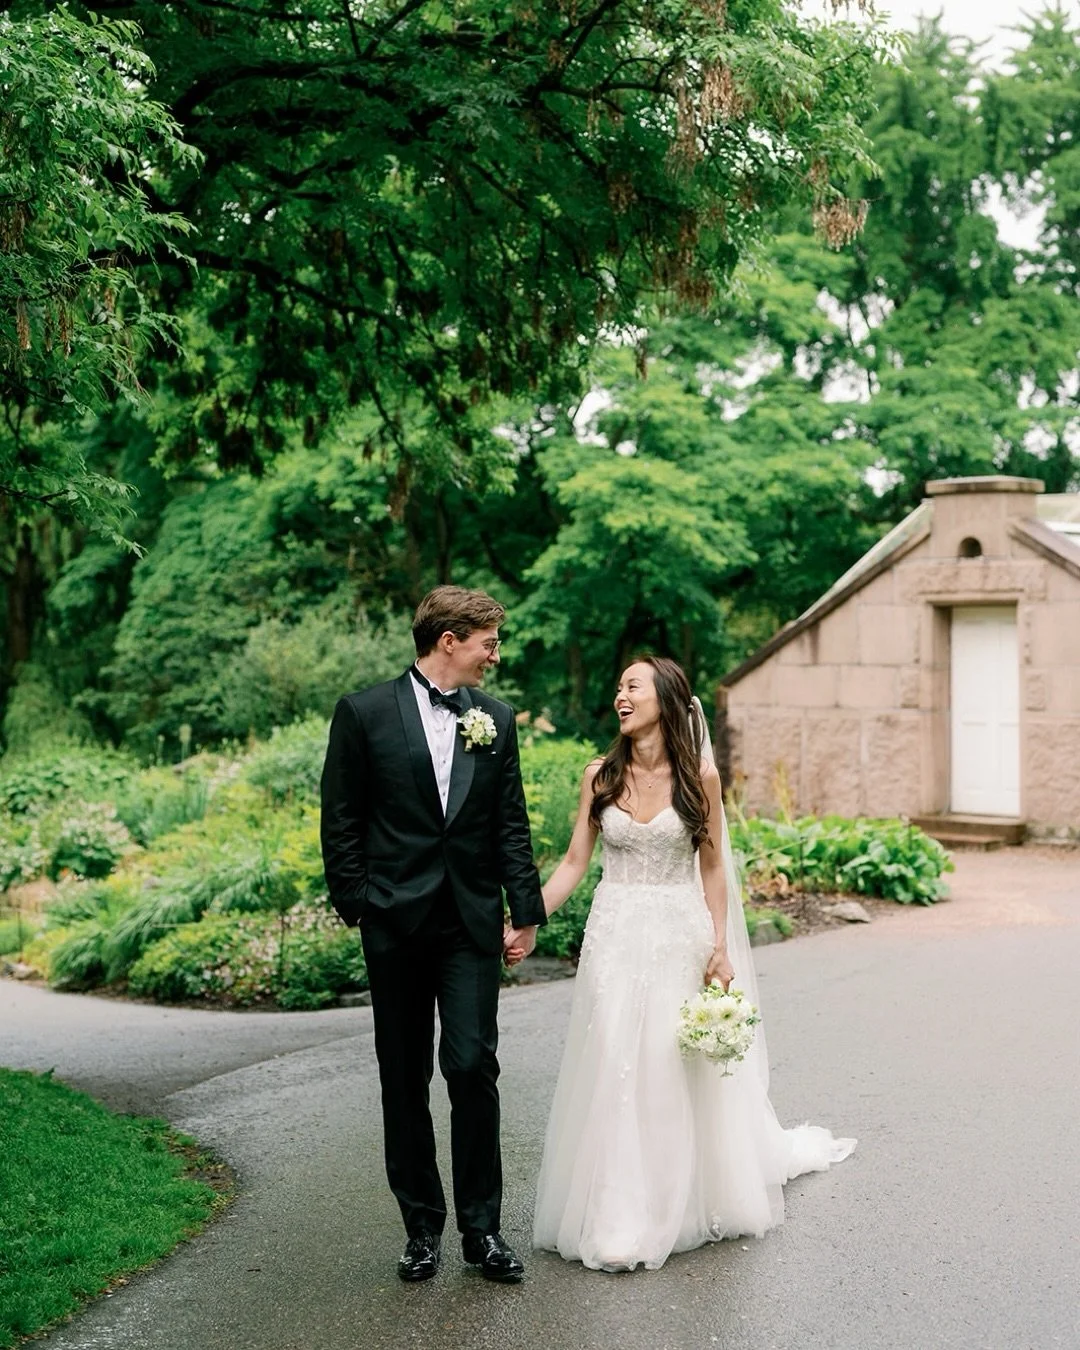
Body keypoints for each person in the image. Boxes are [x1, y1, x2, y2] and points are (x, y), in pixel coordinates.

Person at [519, 655, 855, 1273]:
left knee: (663, 1063)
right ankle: (615, 1212)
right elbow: (572, 862)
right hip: (615, 936)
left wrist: (720, 946)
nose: (621, 695)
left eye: (633, 687)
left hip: (678, 933)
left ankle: (671, 1203)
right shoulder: (599, 776)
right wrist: (527, 918)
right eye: (617, 686)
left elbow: (710, 864)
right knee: (616, 1059)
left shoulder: (699, 777)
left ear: (666, 699)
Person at [320, 586, 546, 1284]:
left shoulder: (496, 720)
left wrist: (526, 911)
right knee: (404, 1074)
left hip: (470, 920)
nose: (495, 656)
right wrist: (361, 904)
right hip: (395, 921)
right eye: (488, 642)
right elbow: (342, 817)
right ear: (449, 639)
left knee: (473, 1065)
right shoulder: (363, 713)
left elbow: (510, 821)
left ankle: (483, 1231)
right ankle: (422, 1229)